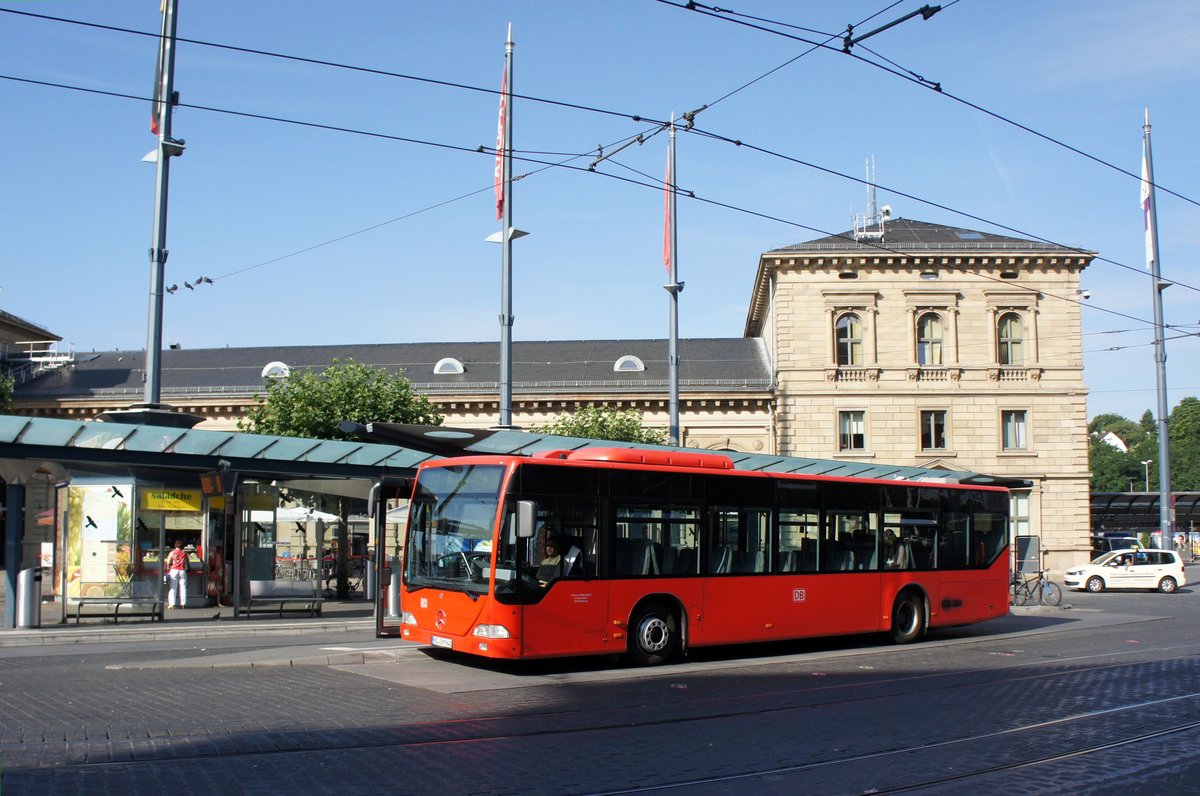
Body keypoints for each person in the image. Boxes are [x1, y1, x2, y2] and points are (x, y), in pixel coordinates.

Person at [166, 539, 188, 609]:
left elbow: (168, 562)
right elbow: (188, 562)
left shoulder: (172, 552)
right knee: (183, 588)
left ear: (175, 545)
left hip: (174, 570)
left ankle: (172, 604)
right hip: (182, 571)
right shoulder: (184, 553)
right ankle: (183, 604)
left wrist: (168, 568)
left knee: (173, 588)